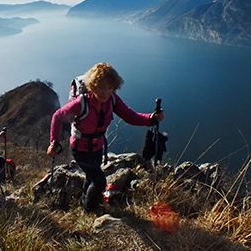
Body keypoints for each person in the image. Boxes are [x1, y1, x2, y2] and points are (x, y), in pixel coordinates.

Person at [47, 62, 164, 213]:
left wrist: (151, 118)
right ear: (93, 86)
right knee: (100, 182)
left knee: (91, 178)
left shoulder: (112, 100)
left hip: (97, 147)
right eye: (101, 87)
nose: (106, 92)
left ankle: (85, 202)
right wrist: (53, 142)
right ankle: (89, 211)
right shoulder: (82, 102)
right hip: (80, 149)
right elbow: (58, 116)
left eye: (110, 88)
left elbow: (130, 116)